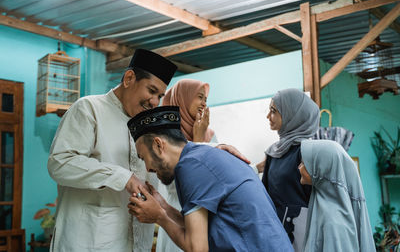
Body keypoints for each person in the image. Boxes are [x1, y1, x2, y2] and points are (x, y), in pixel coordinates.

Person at [47, 49, 178, 252]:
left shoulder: (150, 127)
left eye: (160, 95)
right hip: (87, 244)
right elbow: (60, 163)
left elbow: (176, 155)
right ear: (129, 78)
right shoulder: (89, 109)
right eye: (151, 91)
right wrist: (122, 177)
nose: (155, 102)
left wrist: (215, 149)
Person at [127, 106, 293, 252]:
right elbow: (196, 229)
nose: (148, 168)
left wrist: (159, 217)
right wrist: (163, 206)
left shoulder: (190, 166)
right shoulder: (202, 156)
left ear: (158, 145)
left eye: (143, 158)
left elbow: (197, 248)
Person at [256, 88, 320, 251]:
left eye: (273, 111)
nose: (268, 116)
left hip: (301, 232)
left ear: (292, 114)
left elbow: (316, 198)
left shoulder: (307, 151)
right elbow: (266, 194)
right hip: (273, 230)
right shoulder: (273, 152)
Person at [157, 79, 216, 252]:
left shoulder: (210, 135)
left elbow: (213, 179)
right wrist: (197, 142)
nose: (204, 103)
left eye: (206, 99)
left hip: (205, 217)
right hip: (177, 213)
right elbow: (176, 184)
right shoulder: (165, 137)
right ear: (181, 98)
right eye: (199, 97)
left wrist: (201, 138)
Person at [299, 139, 375, 252]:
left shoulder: (333, 222)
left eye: (305, 164)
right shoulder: (322, 206)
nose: (299, 167)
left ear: (321, 169)